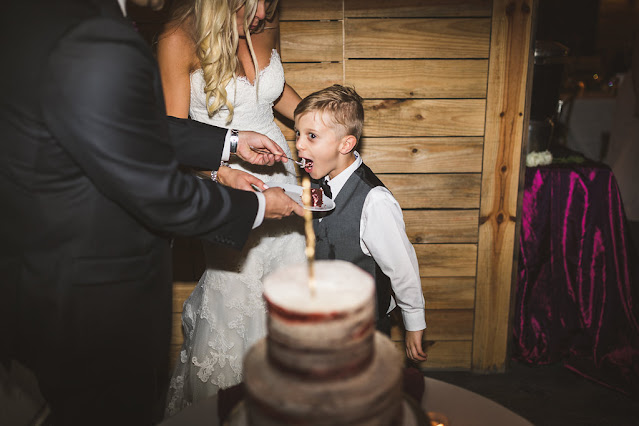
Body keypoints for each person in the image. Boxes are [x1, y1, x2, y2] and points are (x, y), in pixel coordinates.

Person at [0, 0, 304, 424]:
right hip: (88, 290)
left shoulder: (56, 18)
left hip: (62, 278)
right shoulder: (92, 33)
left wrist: (231, 142)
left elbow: (137, 130)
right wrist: (252, 203)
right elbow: (155, 184)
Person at [156, 0, 307, 415]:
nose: (262, 18)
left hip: (282, 176)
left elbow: (274, 95)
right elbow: (174, 137)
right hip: (226, 186)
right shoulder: (177, 40)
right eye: (254, 8)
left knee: (289, 302)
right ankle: (225, 408)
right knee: (235, 303)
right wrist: (218, 175)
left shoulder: (265, 19)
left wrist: (323, 124)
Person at [294, 84, 428, 362]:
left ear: (345, 144)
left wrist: (413, 321)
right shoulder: (319, 181)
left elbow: (402, 267)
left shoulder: (375, 201)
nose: (298, 145)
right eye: (297, 134)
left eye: (311, 136)